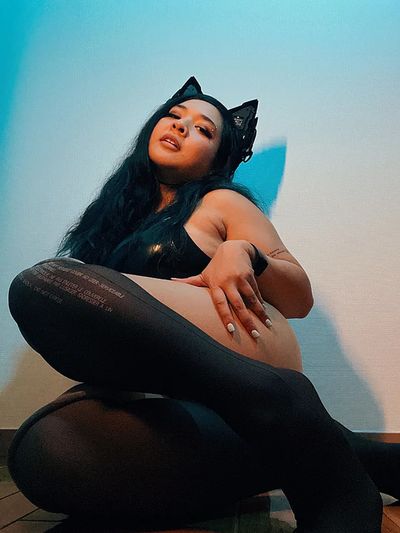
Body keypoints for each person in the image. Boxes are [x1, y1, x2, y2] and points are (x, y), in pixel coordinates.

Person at [7, 77, 399, 532]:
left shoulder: (220, 201)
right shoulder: (117, 222)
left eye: (203, 129)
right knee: (45, 452)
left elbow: (299, 299)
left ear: (219, 157)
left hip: (249, 344)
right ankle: (346, 455)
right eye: (174, 116)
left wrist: (245, 252)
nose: (181, 126)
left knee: (42, 283)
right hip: (186, 406)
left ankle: (289, 414)